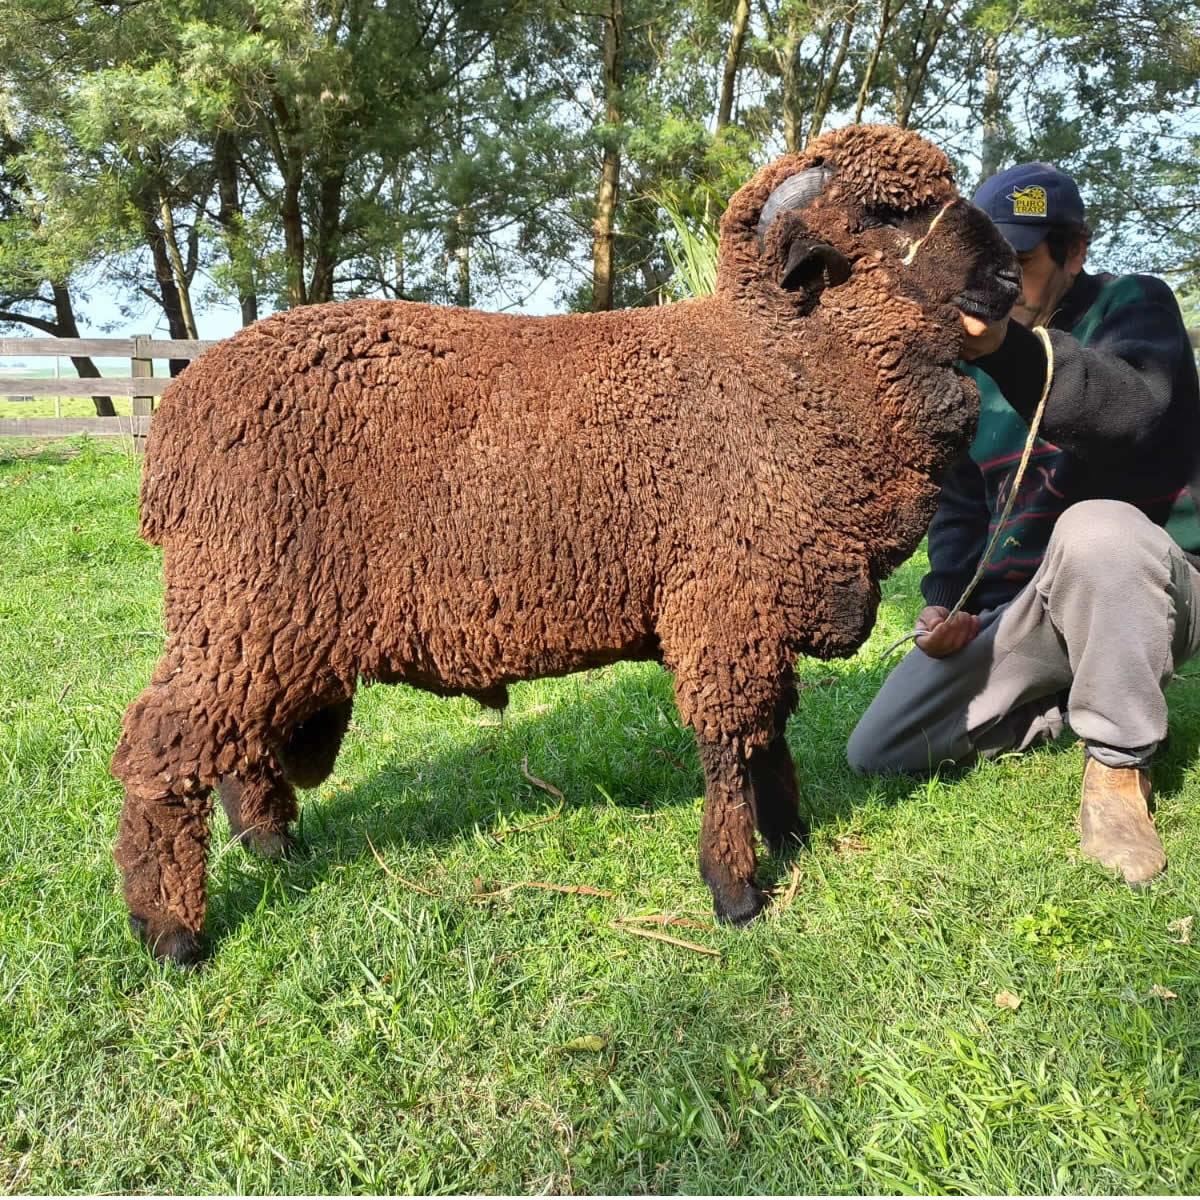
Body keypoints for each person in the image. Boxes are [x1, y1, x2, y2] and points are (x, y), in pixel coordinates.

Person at [847, 161, 1200, 886]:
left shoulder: (1136, 307)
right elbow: (960, 503)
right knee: (879, 749)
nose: (999, 282)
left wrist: (1008, 347)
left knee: (1096, 529)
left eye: (1023, 262)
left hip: (1158, 584)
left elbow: (1137, 417)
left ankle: (1117, 770)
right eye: (986, 262)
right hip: (1035, 603)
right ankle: (1065, 701)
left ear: (1076, 251)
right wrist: (950, 601)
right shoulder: (966, 364)